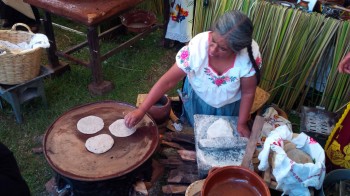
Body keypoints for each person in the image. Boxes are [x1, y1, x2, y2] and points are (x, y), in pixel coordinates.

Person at [125, 10, 262, 137]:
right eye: (213, 41)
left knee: (224, 134)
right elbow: (168, 81)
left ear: (237, 50)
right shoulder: (197, 49)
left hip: (229, 106)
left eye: (223, 49)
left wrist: (242, 123)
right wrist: (142, 110)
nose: (213, 50)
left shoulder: (248, 58)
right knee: (195, 133)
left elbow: (248, 92)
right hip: (198, 100)